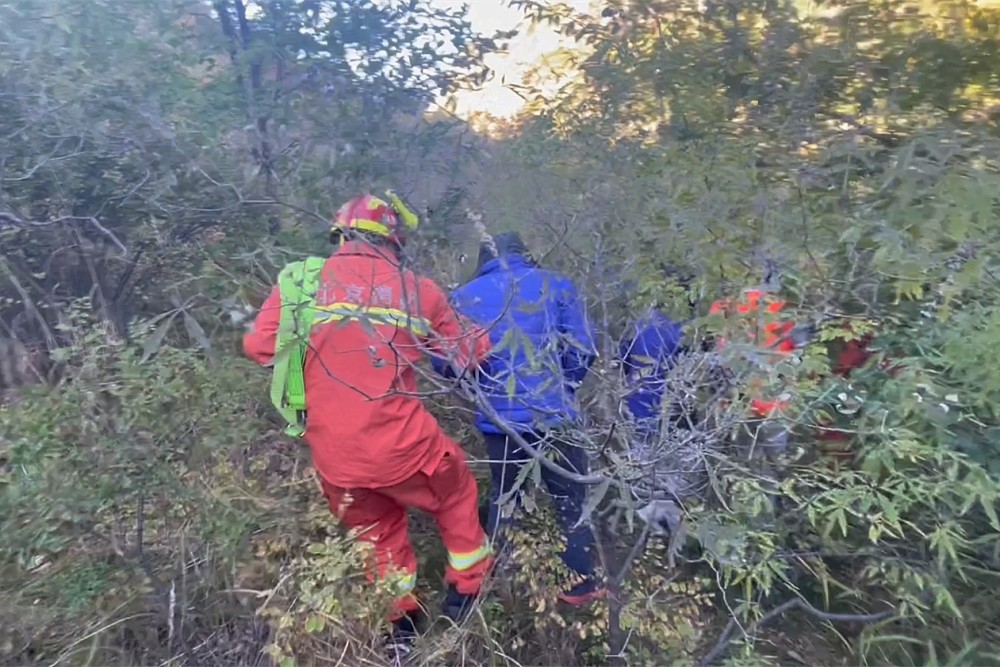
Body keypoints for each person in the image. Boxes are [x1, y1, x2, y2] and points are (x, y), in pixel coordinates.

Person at [243, 193, 494, 654]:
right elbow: (470, 353)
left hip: (335, 459)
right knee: (458, 493)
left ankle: (402, 622)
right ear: (393, 241)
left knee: (376, 533)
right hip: (405, 448)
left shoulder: (299, 282)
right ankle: (465, 591)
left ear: (339, 235)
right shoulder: (418, 289)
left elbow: (260, 348)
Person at [441, 231, 603, 606]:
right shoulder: (557, 285)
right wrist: (564, 388)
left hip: (500, 422)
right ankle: (580, 588)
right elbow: (583, 347)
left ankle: (505, 586)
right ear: (525, 254)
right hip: (556, 417)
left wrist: (480, 392)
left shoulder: (465, 297)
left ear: (482, 259)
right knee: (569, 499)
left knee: (506, 497)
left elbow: (449, 361)